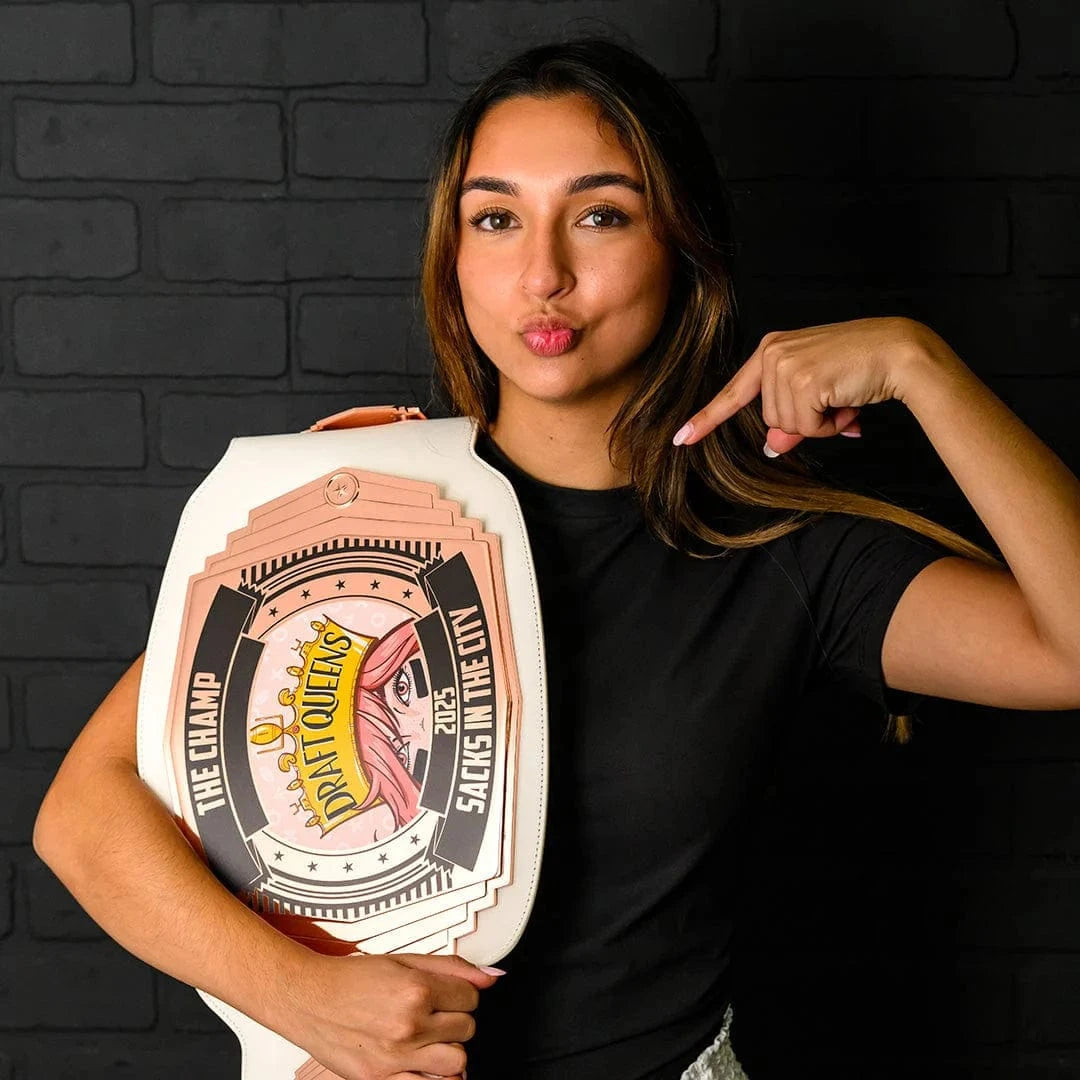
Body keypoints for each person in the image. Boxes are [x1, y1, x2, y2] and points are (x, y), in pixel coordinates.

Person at [32, 36, 1080, 1080]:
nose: (544, 275)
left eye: (601, 215)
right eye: (496, 219)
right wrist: (300, 1000)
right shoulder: (364, 505)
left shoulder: (785, 556)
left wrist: (918, 364)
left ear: (682, 247)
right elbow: (85, 810)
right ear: (453, 258)